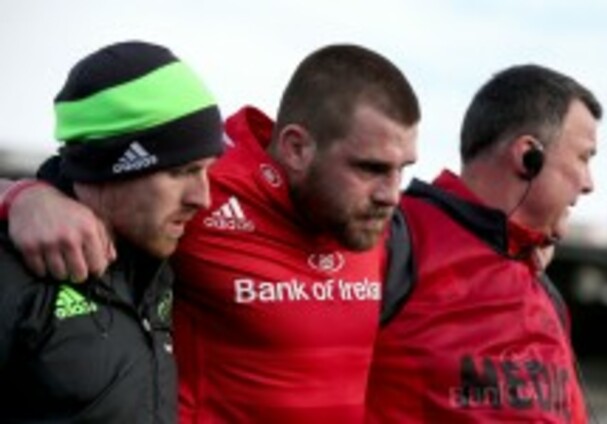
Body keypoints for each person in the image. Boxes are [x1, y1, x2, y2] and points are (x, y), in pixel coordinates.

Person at [1, 44, 421, 423]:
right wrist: (23, 196)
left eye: (402, 170)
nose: (391, 194)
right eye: (370, 168)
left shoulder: (380, 225)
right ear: (296, 147)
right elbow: (87, 176)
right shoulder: (198, 197)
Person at [0, 41, 222, 422]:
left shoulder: (154, 256)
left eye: (206, 169)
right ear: (112, 165)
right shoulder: (12, 267)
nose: (203, 198)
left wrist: (18, 194)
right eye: (180, 171)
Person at [368, 64, 602, 423]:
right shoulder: (394, 237)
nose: (589, 184)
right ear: (528, 156)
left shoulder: (546, 293)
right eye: (584, 158)